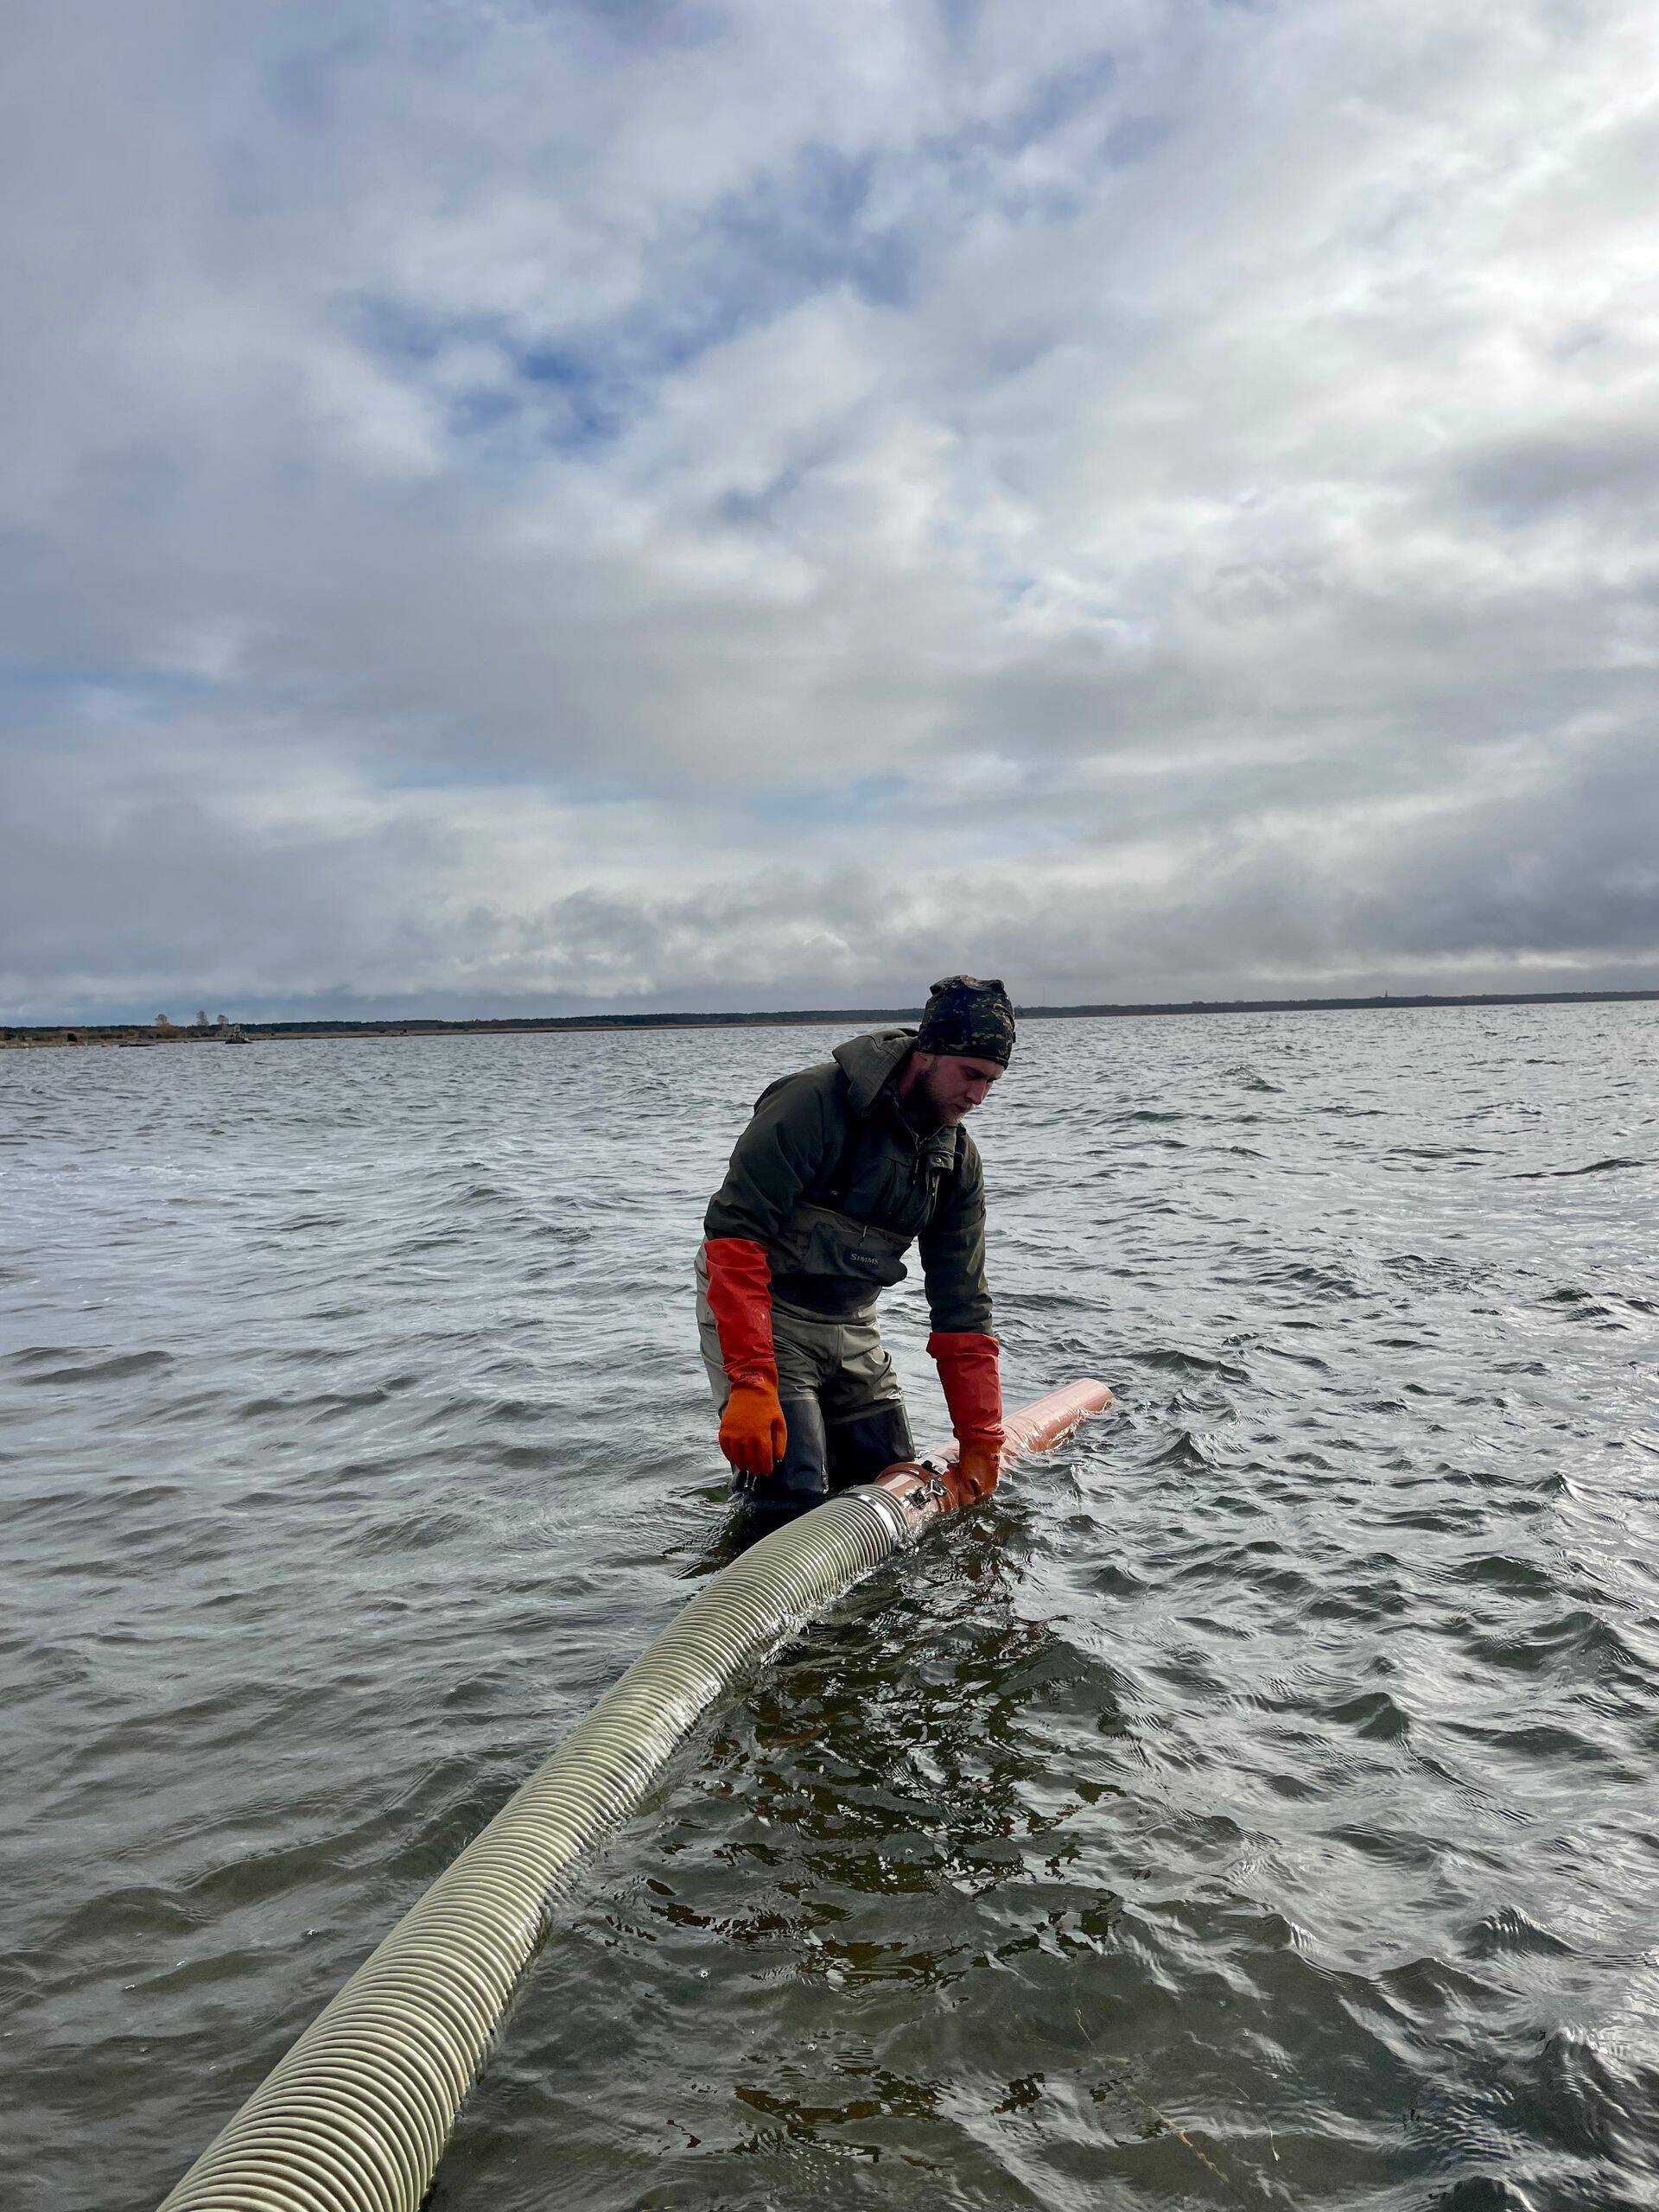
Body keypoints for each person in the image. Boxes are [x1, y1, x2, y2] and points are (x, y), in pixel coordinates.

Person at [696, 975, 1014, 1516]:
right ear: (929, 1051)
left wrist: (980, 1436)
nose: (978, 1096)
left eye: (992, 1081)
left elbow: (962, 1303)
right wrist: (751, 1379)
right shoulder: (810, 1104)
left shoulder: (956, 1162)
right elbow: (735, 1239)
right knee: (790, 1493)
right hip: (767, 1312)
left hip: (852, 1325)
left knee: (891, 1494)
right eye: (971, 1075)